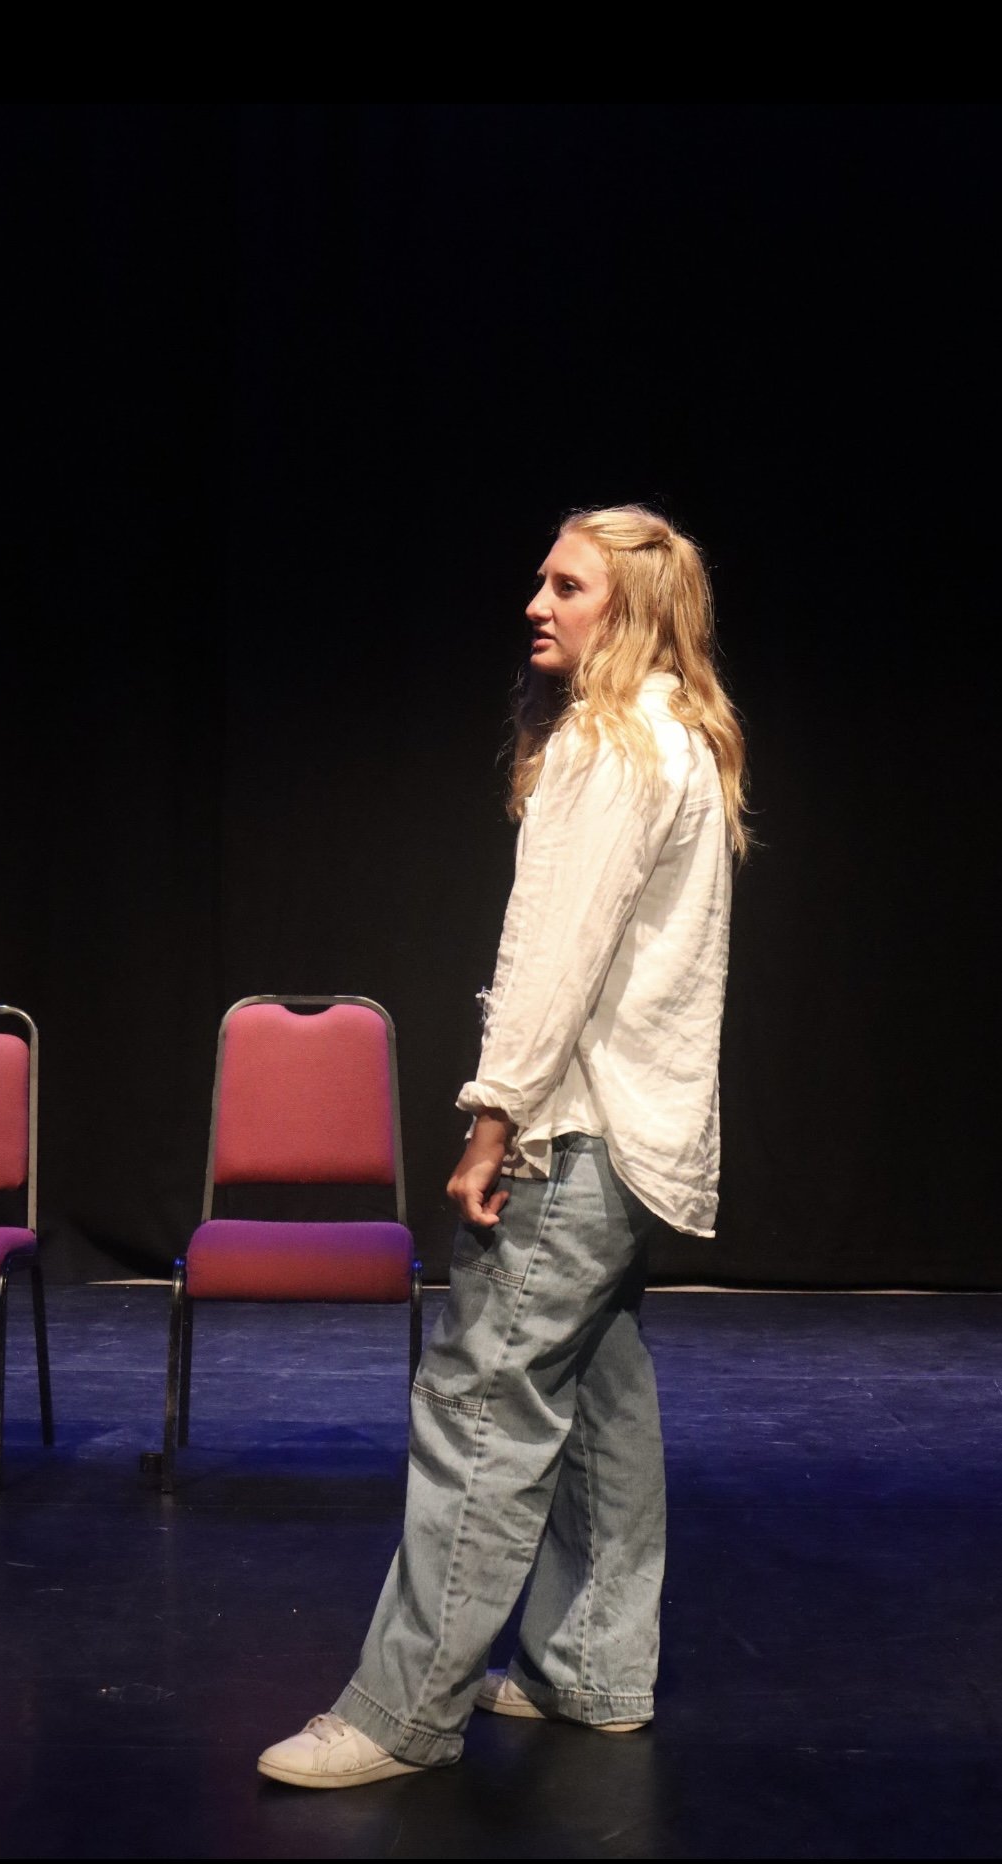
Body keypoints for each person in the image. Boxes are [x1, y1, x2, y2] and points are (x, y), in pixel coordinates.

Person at [257, 504, 748, 1788]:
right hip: (642, 1145)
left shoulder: (613, 741)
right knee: (597, 1396)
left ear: (629, 609)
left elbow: (553, 961)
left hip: (574, 1136)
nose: (537, 601)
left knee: (480, 1407)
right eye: (539, 579)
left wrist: (493, 1122)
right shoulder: (685, 741)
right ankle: (592, 1665)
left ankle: (403, 1712)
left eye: (567, 584)